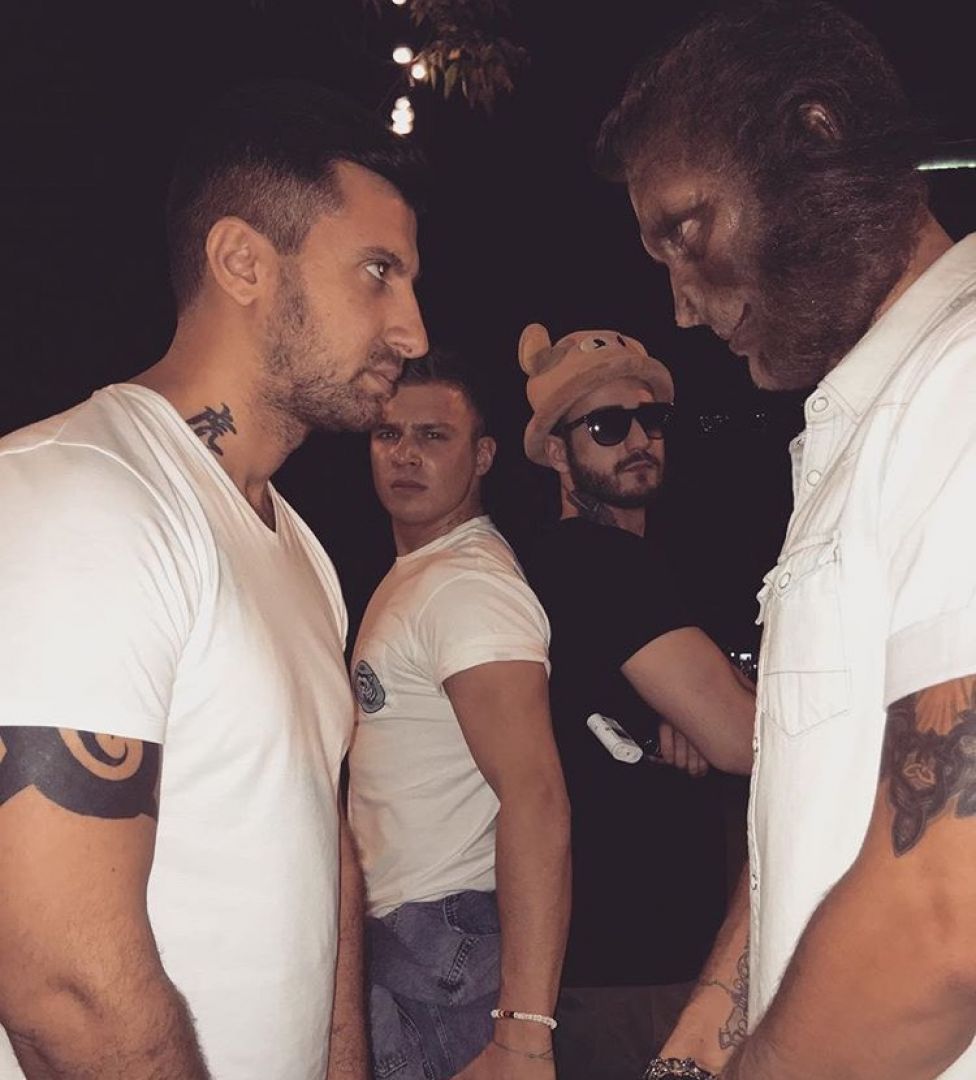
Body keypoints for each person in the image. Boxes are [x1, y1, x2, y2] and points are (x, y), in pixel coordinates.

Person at [0, 80, 428, 1080]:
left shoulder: (300, 552)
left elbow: (322, 851)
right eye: (378, 272)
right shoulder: (77, 496)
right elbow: (62, 984)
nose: (411, 330)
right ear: (242, 262)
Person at [595, 1, 976, 1076]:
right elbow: (830, 796)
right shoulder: (871, 421)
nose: (680, 306)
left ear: (815, 135)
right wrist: (701, 1041)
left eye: (686, 230)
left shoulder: (961, 383)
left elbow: (947, 912)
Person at [516, 323, 755, 1080]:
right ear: (557, 453)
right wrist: (715, 707)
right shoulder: (597, 563)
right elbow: (744, 737)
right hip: (632, 969)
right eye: (607, 426)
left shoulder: (598, 565)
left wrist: (694, 707)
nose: (639, 439)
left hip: (604, 965)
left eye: (651, 420)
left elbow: (714, 722)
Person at [348, 351, 570, 1080]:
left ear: (482, 456)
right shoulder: (424, 573)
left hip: (443, 944)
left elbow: (536, 796)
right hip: (415, 939)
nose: (405, 454)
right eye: (388, 434)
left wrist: (525, 1032)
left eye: (434, 436)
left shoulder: (467, 586)